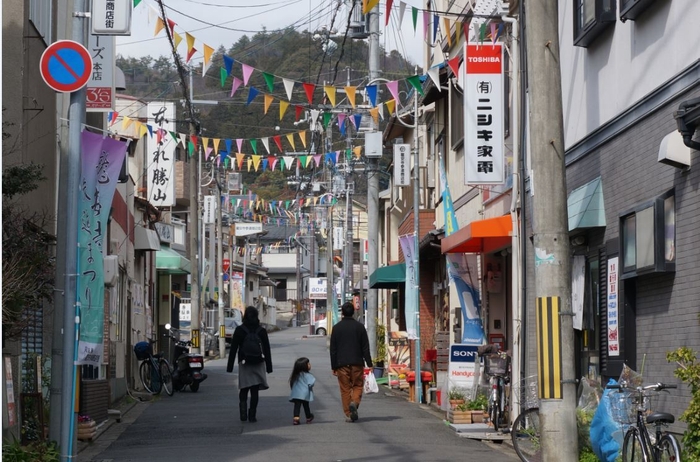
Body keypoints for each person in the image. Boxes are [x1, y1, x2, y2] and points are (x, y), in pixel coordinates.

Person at [226, 306, 273, 423]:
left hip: (244, 363)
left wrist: (230, 366)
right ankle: (252, 415)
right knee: (254, 390)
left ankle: (243, 414)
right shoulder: (261, 331)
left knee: (244, 389)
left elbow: (233, 349)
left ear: (245, 316)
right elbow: (266, 349)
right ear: (257, 316)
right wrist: (269, 366)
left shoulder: (239, 330)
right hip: (258, 362)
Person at [330, 301, 373, 422]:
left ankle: (349, 414)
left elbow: (333, 349)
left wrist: (334, 366)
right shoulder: (360, 327)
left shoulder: (336, 328)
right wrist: (369, 364)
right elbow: (365, 347)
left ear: (342, 313)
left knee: (345, 389)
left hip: (341, 363)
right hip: (357, 362)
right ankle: (354, 402)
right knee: (358, 385)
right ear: (353, 312)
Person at [289, 357, 315, 425]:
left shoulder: (295, 375)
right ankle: (308, 417)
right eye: (308, 364)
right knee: (306, 406)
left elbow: (292, 384)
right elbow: (311, 384)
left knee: (297, 406)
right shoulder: (308, 375)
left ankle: (296, 418)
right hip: (305, 394)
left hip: (296, 394)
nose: (310, 365)